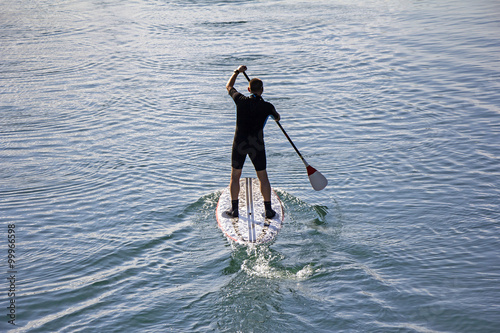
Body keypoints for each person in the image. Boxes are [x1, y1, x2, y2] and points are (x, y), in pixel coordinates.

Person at [225, 65, 281, 218]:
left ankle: (234, 209)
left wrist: (237, 71)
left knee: (235, 175)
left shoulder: (240, 100)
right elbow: (277, 117)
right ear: (261, 90)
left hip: (240, 144)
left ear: (248, 90)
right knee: (262, 176)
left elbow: (229, 86)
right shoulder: (267, 106)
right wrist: (272, 113)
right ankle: (268, 210)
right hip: (257, 146)